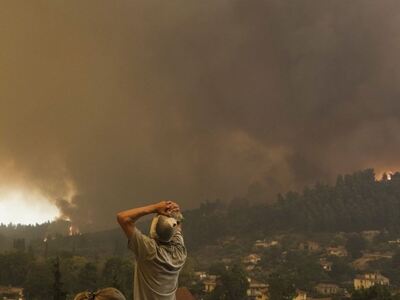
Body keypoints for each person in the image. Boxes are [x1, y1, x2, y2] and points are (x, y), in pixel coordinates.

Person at [117, 201, 187, 300]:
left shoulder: (148, 251)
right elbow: (176, 227)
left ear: (153, 229)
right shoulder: (180, 253)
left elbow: (123, 218)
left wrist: (155, 208)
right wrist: (175, 212)